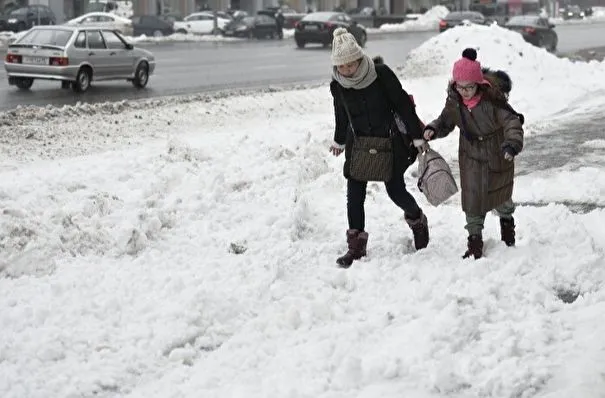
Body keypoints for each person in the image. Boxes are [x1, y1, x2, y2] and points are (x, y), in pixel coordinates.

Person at [329, 28, 430, 268]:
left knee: (395, 190)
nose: (346, 71)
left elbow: (403, 104)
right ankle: (355, 247)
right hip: (359, 144)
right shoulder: (338, 84)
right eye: (341, 66)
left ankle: (417, 220)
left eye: (350, 65)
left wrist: (416, 136)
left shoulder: (381, 74)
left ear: (359, 58)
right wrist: (339, 140)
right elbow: (341, 114)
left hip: (389, 142)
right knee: (354, 195)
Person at [423, 48, 524, 260]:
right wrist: (433, 128)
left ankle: (508, 231)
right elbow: (445, 121)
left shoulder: (492, 101)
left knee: (501, 196)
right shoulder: (455, 102)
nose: (464, 91)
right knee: (472, 199)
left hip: (497, 151)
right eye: (460, 87)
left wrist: (511, 144)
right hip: (470, 155)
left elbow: (511, 122)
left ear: (478, 84)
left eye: (469, 87)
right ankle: (474, 242)